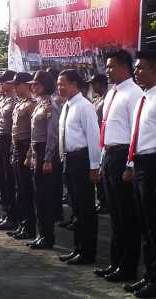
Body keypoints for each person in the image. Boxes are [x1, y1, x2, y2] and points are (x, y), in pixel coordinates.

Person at [94, 49, 142, 282]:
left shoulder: (134, 93)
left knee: (127, 216)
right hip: (110, 154)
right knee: (114, 215)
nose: (108, 70)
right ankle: (115, 263)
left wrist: (131, 164)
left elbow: (136, 132)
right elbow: (108, 128)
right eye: (108, 66)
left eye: (112, 66)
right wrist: (103, 159)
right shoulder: (114, 92)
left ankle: (128, 267)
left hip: (124, 154)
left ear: (125, 67)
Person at [57, 69, 101, 265]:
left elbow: (93, 137)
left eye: (63, 83)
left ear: (74, 84)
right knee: (76, 209)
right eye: (58, 84)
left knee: (86, 209)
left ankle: (88, 252)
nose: (59, 87)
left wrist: (94, 166)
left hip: (82, 159)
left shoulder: (84, 106)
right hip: (69, 160)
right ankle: (78, 249)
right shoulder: (67, 105)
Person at [122, 50, 156, 298]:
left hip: (154, 165)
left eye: (141, 67)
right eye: (136, 67)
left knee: (154, 226)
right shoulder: (145, 98)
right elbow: (138, 138)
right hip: (141, 164)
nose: (136, 72)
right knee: (145, 224)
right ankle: (149, 276)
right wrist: (131, 165)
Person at [26, 70, 60, 249]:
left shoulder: (50, 106)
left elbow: (52, 135)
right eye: (33, 84)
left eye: (37, 84)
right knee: (38, 196)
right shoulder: (40, 104)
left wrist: (47, 158)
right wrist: (30, 155)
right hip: (37, 151)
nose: (33, 87)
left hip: (46, 153)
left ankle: (48, 236)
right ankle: (42, 234)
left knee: (45, 197)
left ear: (45, 85)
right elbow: (34, 135)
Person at [7, 72, 37, 240]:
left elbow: (34, 132)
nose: (15, 88)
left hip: (25, 148)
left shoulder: (32, 104)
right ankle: (23, 224)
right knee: (19, 189)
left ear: (26, 85)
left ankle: (29, 227)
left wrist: (29, 154)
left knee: (26, 190)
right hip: (17, 147)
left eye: (17, 85)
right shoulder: (20, 103)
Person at [0, 70, 17, 231]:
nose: (0, 85)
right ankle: (7, 214)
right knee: (2, 179)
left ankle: (13, 216)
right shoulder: (4, 99)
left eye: (3, 82)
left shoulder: (15, 101)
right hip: (1, 140)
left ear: (10, 83)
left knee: (10, 181)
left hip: (10, 141)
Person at [88, 74, 109, 214]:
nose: (92, 86)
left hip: (105, 138)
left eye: (94, 83)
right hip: (96, 138)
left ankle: (105, 202)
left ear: (101, 84)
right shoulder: (97, 99)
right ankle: (102, 200)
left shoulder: (108, 98)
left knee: (103, 173)